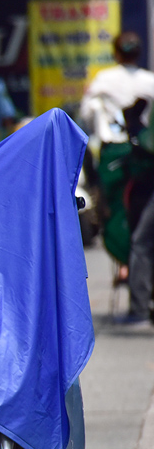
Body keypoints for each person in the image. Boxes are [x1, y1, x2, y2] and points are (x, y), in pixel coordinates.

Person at [81, 32, 154, 296]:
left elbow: (86, 114)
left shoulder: (104, 80)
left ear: (116, 53)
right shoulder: (149, 81)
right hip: (145, 158)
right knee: (142, 216)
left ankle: (126, 266)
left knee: (115, 214)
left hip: (114, 156)